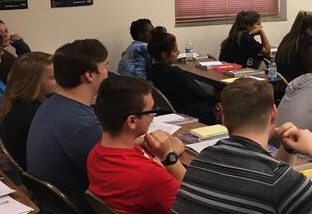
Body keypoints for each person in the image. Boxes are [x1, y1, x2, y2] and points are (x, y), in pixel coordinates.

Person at [172, 77, 312, 214]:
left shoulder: (203, 158)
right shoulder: (277, 179)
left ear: (223, 117)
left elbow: (272, 189)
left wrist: (288, 149)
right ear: (274, 114)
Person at [27, 39, 108, 213]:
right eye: (105, 67)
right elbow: (115, 178)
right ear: (90, 75)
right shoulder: (83, 126)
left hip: (55, 203)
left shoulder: (50, 104)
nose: (108, 73)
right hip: (86, 206)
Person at [88, 75, 186, 214]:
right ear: (132, 121)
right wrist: (170, 157)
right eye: (152, 111)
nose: (153, 117)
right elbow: (193, 201)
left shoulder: (95, 153)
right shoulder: (150, 177)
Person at [0, 52, 59, 169]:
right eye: (53, 77)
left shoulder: (17, 102)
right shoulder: (33, 113)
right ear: (33, 83)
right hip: (37, 173)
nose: (59, 80)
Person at [147, 28, 217, 125]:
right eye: (175, 50)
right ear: (164, 55)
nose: (179, 53)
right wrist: (217, 101)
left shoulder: (151, 71)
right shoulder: (175, 73)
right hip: (193, 113)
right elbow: (200, 94)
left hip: (173, 110)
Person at [0, 19, 31, 84]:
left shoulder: (1, 53)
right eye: (0, 32)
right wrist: (21, 46)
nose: (6, 35)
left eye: (6, 31)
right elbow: (28, 71)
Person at [276, 11, 312, 82]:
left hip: (283, 85)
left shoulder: (288, 37)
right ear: (308, 30)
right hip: (300, 86)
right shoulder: (309, 42)